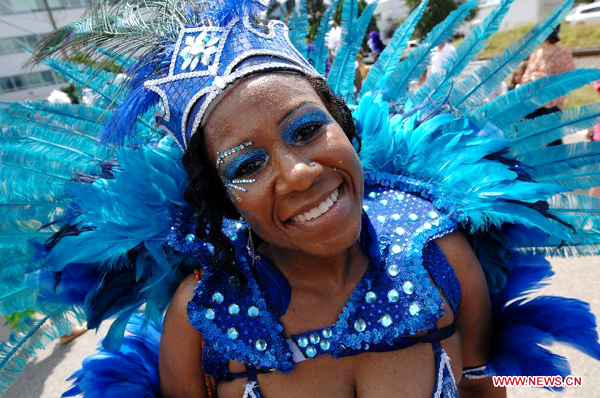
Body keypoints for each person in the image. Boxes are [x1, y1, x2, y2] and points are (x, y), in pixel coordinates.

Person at [1, 1, 600, 397]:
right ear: (222, 200)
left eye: (307, 128)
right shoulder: (203, 317)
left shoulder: (438, 249)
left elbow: (482, 381)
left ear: (345, 125)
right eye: (248, 165)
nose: (298, 173)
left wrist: (561, 388)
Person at [522, 25, 576, 145]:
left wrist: (545, 78)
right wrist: (531, 78)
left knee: (552, 138)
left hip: (552, 101)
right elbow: (525, 77)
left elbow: (569, 78)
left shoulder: (563, 53)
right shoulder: (535, 54)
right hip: (533, 101)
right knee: (530, 138)